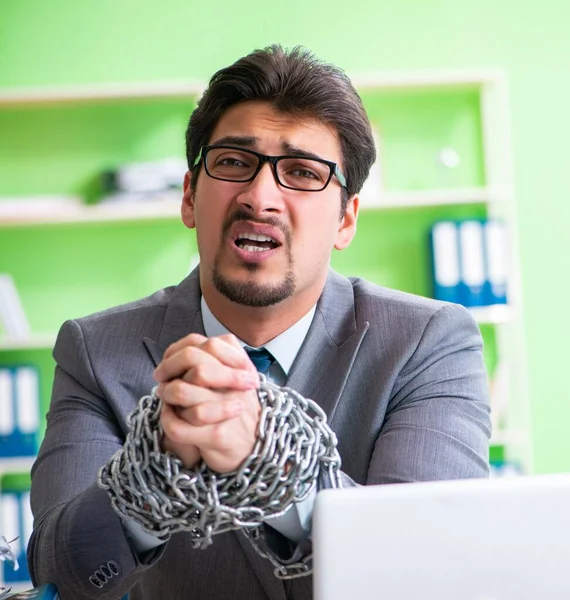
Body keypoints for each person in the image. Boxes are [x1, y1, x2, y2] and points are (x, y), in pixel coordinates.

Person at [28, 45, 491, 600]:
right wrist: (151, 473)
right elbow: (59, 573)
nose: (260, 196)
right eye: (232, 162)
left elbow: (434, 570)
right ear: (190, 198)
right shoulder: (94, 349)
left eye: (301, 172)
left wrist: (268, 455)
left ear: (346, 219)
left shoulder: (430, 341)